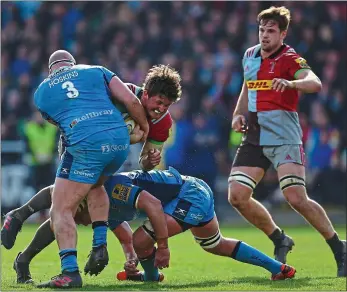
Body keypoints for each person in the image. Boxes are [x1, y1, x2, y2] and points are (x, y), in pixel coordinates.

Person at [2, 65, 182, 283]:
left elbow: (144, 162)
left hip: (112, 162)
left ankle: (23, 232)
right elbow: (85, 113)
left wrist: (150, 161)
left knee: (66, 208)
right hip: (82, 145)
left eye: (167, 105)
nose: (161, 109)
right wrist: (138, 132)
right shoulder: (120, 92)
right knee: (67, 206)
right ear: (145, 93)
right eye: (158, 102)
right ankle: (85, 247)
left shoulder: (163, 123)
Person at [11, 167, 296, 284]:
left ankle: (152, 277)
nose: (81, 225)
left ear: (83, 204)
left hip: (189, 194)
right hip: (190, 193)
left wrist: (163, 246)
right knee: (215, 245)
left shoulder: (113, 190)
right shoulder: (99, 209)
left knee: (144, 239)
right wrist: (130, 258)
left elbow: (153, 205)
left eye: (78, 218)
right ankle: (278, 269)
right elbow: (123, 233)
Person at [227, 6, 346, 277]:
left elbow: (314, 82)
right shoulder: (249, 55)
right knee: (237, 196)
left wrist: (292, 84)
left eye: (271, 31)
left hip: (284, 134)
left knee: (296, 197)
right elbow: (247, 85)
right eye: (262, 30)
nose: (265, 35)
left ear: (283, 34)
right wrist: (238, 113)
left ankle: (339, 247)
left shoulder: (291, 58)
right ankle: (280, 238)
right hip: (255, 133)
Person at [31, 49, 149, 288]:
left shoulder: (42, 92)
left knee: (61, 209)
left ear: (51, 70)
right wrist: (145, 129)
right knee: (96, 184)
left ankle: (70, 272)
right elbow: (131, 101)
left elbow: (61, 125)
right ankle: (99, 244)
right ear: (73, 64)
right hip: (119, 142)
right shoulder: (97, 70)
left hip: (85, 142)